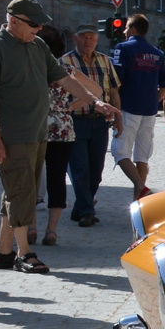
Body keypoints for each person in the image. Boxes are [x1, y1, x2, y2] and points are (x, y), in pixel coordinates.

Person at [0, 0, 114, 276]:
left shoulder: (38, 46)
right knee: (22, 193)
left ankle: (2, 252)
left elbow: (64, 78)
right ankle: (24, 253)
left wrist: (95, 101)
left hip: (39, 133)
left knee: (17, 192)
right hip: (12, 136)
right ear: (13, 20)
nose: (38, 29)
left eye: (40, 25)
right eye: (33, 24)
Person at [61, 27, 119, 229]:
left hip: (100, 122)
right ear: (75, 39)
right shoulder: (65, 61)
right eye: (84, 37)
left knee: (96, 171)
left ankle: (80, 207)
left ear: (97, 40)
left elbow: (113, 90)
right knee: (80, 168)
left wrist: (119, 119)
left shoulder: (105, 61)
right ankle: (87, 211)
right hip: (75, 121)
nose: (88, 41)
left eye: (91, 38)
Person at [111, 14, 165, 201]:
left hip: (128, 107)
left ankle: (142, 188)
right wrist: (154, 101)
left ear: (133, 29)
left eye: (126, 27)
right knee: (142, 156)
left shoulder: (123, 48)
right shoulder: (157, 53)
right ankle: (139, 201)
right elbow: (164, 85)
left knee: (120, 152)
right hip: (149, 110)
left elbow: (116, 81)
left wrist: (113, 107)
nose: (124, 31)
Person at [39, 28, 75, 247]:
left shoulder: (32, 67)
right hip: (62, 128)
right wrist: (67, 107)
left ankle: (30, 227)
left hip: (35, 127)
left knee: (31, 179)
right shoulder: (65, 69)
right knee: (57, 178)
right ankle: (51, 230)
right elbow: (95, 90)